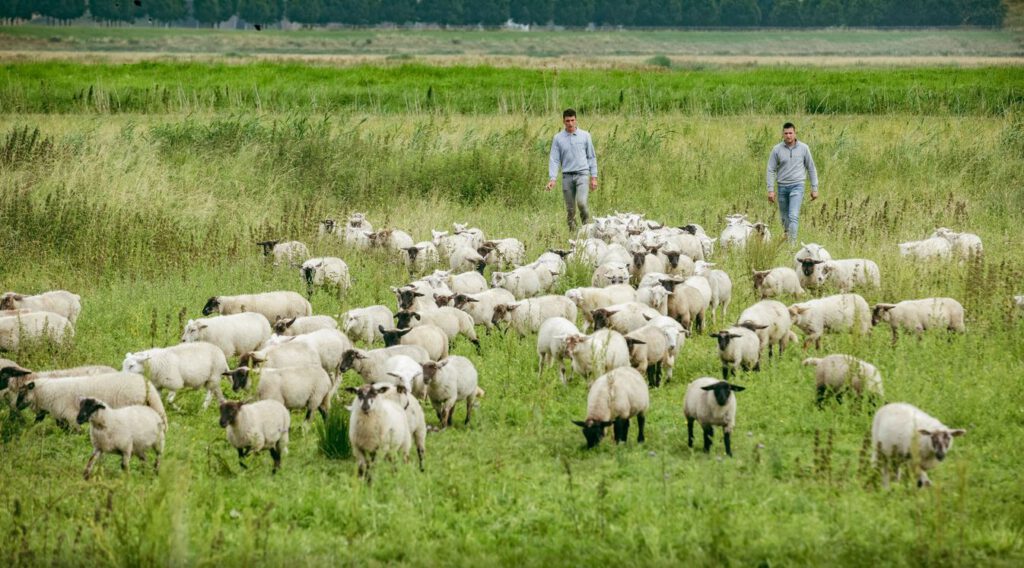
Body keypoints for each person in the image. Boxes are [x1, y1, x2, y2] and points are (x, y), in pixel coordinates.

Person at [545, 108, 598, 232]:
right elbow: (554, 159)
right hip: (567, 176)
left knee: (582, 203)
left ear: (576, 120)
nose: (570, 123)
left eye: (572, 120)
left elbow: (591, 156)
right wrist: (552, 179)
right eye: (567, 121)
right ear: (563, 121)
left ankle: (586, 228)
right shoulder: (558, 138)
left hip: (582, 174)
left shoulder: (585, 136)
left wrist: (594, 177)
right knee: (570, 209)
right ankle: (573, 234)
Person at [766, 122, 819, 244]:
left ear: (795, 133)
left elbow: (811, 167)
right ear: (782, 134)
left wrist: (814, 188)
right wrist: (770, 190)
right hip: (782, 187)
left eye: (791, 133)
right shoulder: (776, 150)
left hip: (797, 185)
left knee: (793, 215)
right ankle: (787, 236)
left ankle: (792, 245)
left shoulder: (804, 148)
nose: (788, 136)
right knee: (785, 218)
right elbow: (770, 169)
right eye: (786, 133)